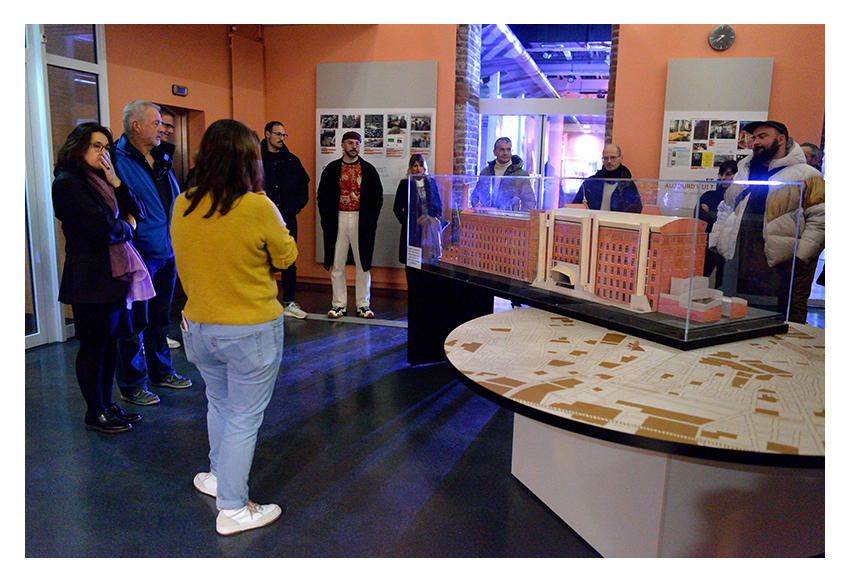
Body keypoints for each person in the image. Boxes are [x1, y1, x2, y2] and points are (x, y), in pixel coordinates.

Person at [171, 119, 297, 536]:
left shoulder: (182, 202)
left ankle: (215, 475)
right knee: (244, 417)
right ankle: (233, 507)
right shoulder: (257, 206)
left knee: (219, 405)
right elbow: (286, 256)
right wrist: (273, 211)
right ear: (249, 159)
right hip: (250, 330)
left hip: (199, 328)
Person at [52, 122, 154, 433]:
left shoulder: (102, 180)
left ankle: (107, 404)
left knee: (111, 344)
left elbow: (139, 209)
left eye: (106, 147)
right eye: (96, 146)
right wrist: (129, 228)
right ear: (78, 148)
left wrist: (115, 180)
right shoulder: (68, 183)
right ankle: (94, 411)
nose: (103, 152)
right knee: (93, 346)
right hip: (90, 279)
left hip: (113, 276)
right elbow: (102, 230)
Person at [114, 100, 192, 406]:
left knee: (160, 318)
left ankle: (162, 372)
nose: (162, 129)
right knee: (134, 323)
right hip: (139, 254)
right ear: (136, 126)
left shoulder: (161, 159)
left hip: (166, 252)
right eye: (156, 123)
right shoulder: (118, 161)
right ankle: (132, 384)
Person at [711, 121, 825, 323]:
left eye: (763, 136)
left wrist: (800, 257)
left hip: (781, 266)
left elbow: (821, 220)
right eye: (754, 138)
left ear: (781, 139)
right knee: (736, 315)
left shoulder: (808, 175)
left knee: (779, 318)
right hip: (740, 260)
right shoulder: (744, 172)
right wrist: (717, 241)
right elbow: (726, 208)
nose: (756, 142)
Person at [317, 131, 383, 319]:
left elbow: (377, 198)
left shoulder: (368, 170)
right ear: (342, 145)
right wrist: (327, 218)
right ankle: (339, 304)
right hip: (337, 218)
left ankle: (363, 304)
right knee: (337, 262)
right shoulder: (331, 169)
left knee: (363, 263)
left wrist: (370, 220)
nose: (354, 146)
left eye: (357, 143)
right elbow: (322, 197)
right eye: (350, 143)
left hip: (361, 220)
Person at [261, 121, 311, 319]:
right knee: (261, 260)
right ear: (267, 134)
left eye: (284, 135)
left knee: (289, 259)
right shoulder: (256, 159)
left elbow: (303, 186)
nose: (281, 138)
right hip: (261, 219)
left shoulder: (291, 160)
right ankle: (264, 301)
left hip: (287, 218)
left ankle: (289, 302)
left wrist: (294, 207)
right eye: (278, 134)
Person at [393, 154, 443, 264]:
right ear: (411, 168)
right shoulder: (405, 183)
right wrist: (407, 223)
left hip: (428, 226)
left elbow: (438, 204)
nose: (418, 169)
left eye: (421, 165)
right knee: (412, 262)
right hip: (413, 228)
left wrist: (435, 219)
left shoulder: (431, 182)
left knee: (428, 260)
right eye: (415, 166)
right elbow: (396, 208)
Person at [470, 137, 536, 211]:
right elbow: (475, 196)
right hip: (488, 218)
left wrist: (519, 218)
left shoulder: (521, 175)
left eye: (508, 149)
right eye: (502, 150)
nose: (505, 153)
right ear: (495, 152)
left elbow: (529, 201)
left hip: (510, 219)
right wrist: (479, 210)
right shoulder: (486, 172)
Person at [572, 144, 642, 213]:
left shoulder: (628, 185)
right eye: (605, 158)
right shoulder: (591, 183)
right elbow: (575, 207)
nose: (609, 161)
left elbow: (636, 211)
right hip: (592, 222)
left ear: (621, 158)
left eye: (613, 158)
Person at [699, 160, 738, 280]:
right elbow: (700, 215)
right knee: (702, 277)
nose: (723, 178)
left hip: (731, 244)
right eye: (721, 174)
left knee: (723, 278)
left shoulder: (740, 198)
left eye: (728, 174)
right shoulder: (709, 195)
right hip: (709, 242)